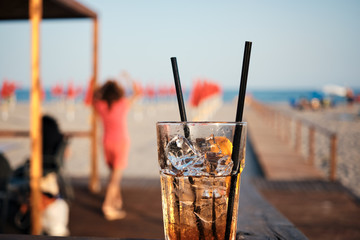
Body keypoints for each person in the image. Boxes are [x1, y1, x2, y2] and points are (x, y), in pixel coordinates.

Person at [93, 77, 139, 220]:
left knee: (113, 174)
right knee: (115, 177)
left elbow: (93, 95)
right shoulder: (122, 104)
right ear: (118, 92)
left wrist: (100, 88)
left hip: (106, 142)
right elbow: (138, 93)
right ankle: (107, 206)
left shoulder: (100, 106)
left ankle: (116, 200)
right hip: (121, 142)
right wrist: (131, 83)